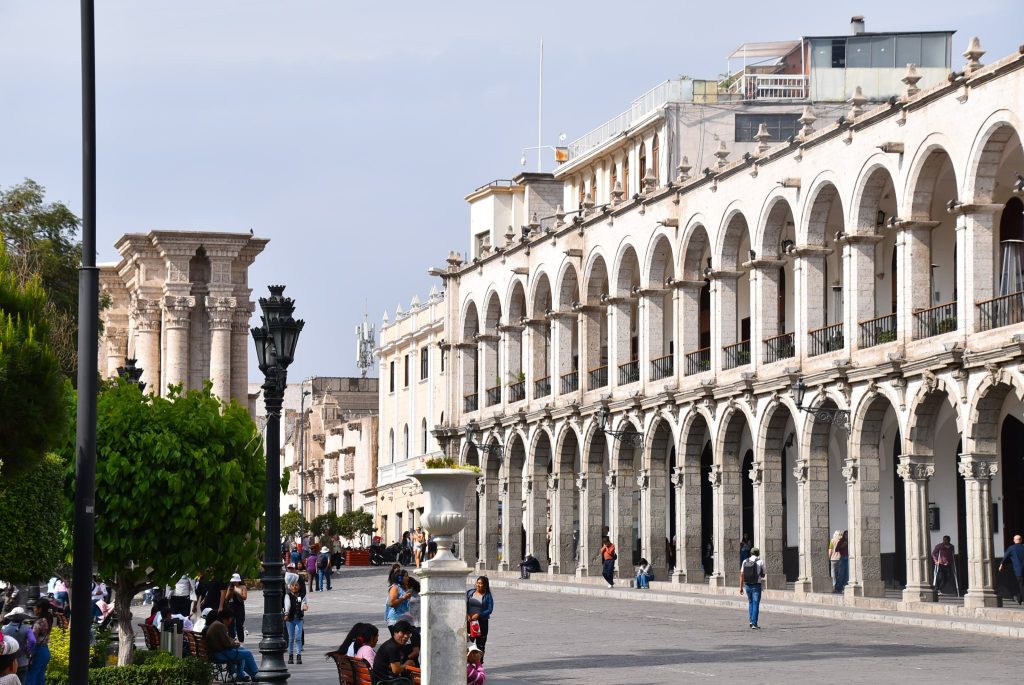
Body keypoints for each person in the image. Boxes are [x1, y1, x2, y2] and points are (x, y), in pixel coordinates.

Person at [205, 610, 259, 681]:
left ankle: (246, 675)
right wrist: (234, 644)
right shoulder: (220, 626)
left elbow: (226, 640)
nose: (231, 622)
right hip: (219, 654)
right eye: (231, 619)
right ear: (229, 618)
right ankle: (255, 673)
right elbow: (227, 644)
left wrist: (233, 642)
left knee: (242, 651)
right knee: (248, 653)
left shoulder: (217, 624)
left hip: (217, 652)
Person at [24, 599, 52, 685]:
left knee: (30, 677)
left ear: (40, 609)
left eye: (35, 607)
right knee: (40, 677)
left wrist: (28, 652)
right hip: (45, 651)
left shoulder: (39, 622)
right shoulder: (48, 619)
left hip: (38, 651)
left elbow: (32, 639)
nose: (33, 609)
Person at [2, 607, 34, 681]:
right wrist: (28, 652)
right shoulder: (27, 628)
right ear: (23, 618)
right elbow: (32, 640)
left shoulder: (4, 628)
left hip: (8, 664)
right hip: (23, 662)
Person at [465, 576, 493, 660]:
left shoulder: (487, 596)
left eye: (481, 583)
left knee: (481, 645)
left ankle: (479, 665)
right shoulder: (470, 593)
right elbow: (463, 604)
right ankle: (468, 665)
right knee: (469, 643)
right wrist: (467, 614)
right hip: (469, 623)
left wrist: (479, 614)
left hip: (482, 623)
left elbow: (490, 609)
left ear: (485, 586)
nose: (478, 585)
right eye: (477, 583)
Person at [283, 573, 307, 665]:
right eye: (292, 585)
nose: (294, 587)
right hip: (290, 619)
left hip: (299, 619)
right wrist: (286, 613)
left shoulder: (302, 596)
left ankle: (299, 656)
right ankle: (290, 656)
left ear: (299, 586)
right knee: (291, 638)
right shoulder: (288, 596)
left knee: (298, 638)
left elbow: (304, 603)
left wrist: (304, 606)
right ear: (289, 587)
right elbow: (287, 605)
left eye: (296, 585)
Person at [739, 546, 766, 629]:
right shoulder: (760, 562)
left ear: (750, 553)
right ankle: (754, 623)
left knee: (750, 603)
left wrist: (741, 587)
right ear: (758, 554)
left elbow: (741, 575)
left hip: (747, 585)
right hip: (756, 585)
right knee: (756, 604)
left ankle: (751, 621)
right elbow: (763, 574)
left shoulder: (745, 561)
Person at [999, 533, 1024, 605]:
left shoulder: (1011, 548)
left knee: (1021, 584)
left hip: (1018, 570)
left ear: (1014, 540)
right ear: (1021, 540)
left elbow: (1006, 557)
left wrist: (1001, 564)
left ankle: (1020, 598)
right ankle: (1020, 598)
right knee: (1021, 585)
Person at [385, 570, 410, 635]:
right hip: (395, 620)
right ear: (400, 578)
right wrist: (404, 598)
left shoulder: (405, 587)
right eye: (406, 576)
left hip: (404, 619)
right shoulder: (395, 588)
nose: (408, 577)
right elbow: (391, 603)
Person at [224, 574, 248, 642]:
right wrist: (230, 592)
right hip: (231, 606)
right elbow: (226, 598)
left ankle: (241, 640)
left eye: (236, 581)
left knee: (239, 624)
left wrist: (236, 592)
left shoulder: (243, 587)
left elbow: (244, 597)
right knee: (230, 624)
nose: (234, 583)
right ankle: (232, 639)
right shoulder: (230, 587)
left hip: (239, 606)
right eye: (233, 581)